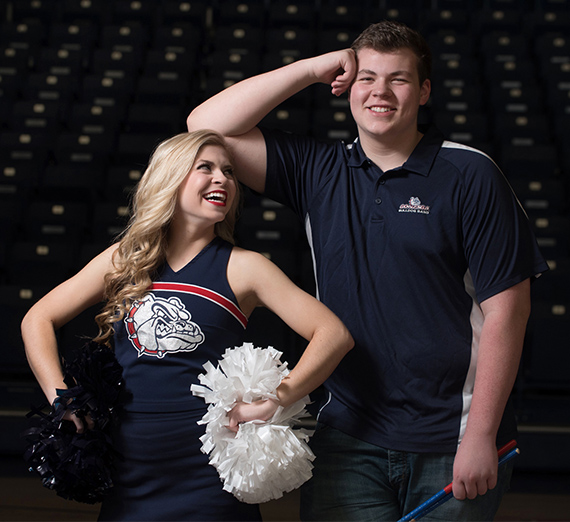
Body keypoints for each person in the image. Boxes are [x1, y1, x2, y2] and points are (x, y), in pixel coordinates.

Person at [186, 20, 549, 521]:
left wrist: (481, 435)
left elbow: (510, 312)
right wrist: (314, 68)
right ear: (347, 88)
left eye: (398, 79)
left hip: (452, 437)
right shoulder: (319, 171)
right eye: (367, 77)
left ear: (423, 92)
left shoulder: (471, 175)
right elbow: (206, 125)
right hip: (347, 436)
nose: (381, 91)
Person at [21, 129, 354, 521]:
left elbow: (334, 334)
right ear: (172, 178)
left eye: (229, 171)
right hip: (130, 473)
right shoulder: (125, 259)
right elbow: (37, 319)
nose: (223, 179)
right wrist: (63, 399)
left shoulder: (245, 267)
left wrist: (279, 396)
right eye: (206, 168)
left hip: (208, 475)